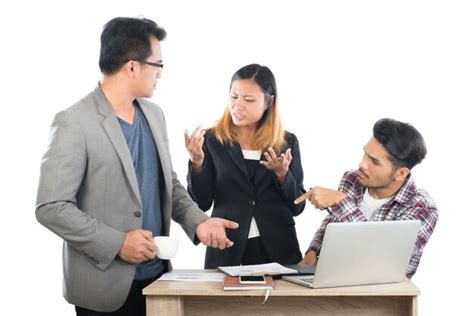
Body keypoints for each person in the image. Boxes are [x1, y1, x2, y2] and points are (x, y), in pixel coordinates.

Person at [35, 17, 238, 316]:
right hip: (102, 289)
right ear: (132, 66)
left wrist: (199, 222)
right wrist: (117, 243)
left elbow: (168, 183)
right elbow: (50, 207)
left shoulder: (154, 115)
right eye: (158, 66)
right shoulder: (73, 122)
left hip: (158, 280)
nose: (160, 75)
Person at [185, 64, 306, 269]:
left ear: (269, 102)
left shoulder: (286, 142)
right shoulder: (212, 140)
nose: (238, 106)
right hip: (227, 246)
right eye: (234, 97)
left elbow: (298, 207)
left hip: (278, 249)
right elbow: (202, 203)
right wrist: (197, 163)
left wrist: (283, 175)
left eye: (248, 100)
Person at [295, 118, 438, 278]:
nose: (362, 164)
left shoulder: (422, 209)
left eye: (374, 162)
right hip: (332, 281)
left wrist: (341, 202)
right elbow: (332, 222)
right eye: (365, 154)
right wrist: (313, 250)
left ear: (401, 173)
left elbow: (382, 260)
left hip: (380, 296)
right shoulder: (352, 179)